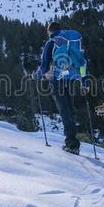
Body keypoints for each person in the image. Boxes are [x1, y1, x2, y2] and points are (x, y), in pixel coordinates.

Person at [33, 22, 89, 155]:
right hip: (70, 80)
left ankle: (72, 144)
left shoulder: (51, 43)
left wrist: (36, 76)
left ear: (49, 31)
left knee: (64, 112)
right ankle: (72, 141)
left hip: (57, 81)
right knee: (69, 111)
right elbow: (82, 63)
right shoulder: (72, 42)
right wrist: (85, 82)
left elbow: (44, 67)